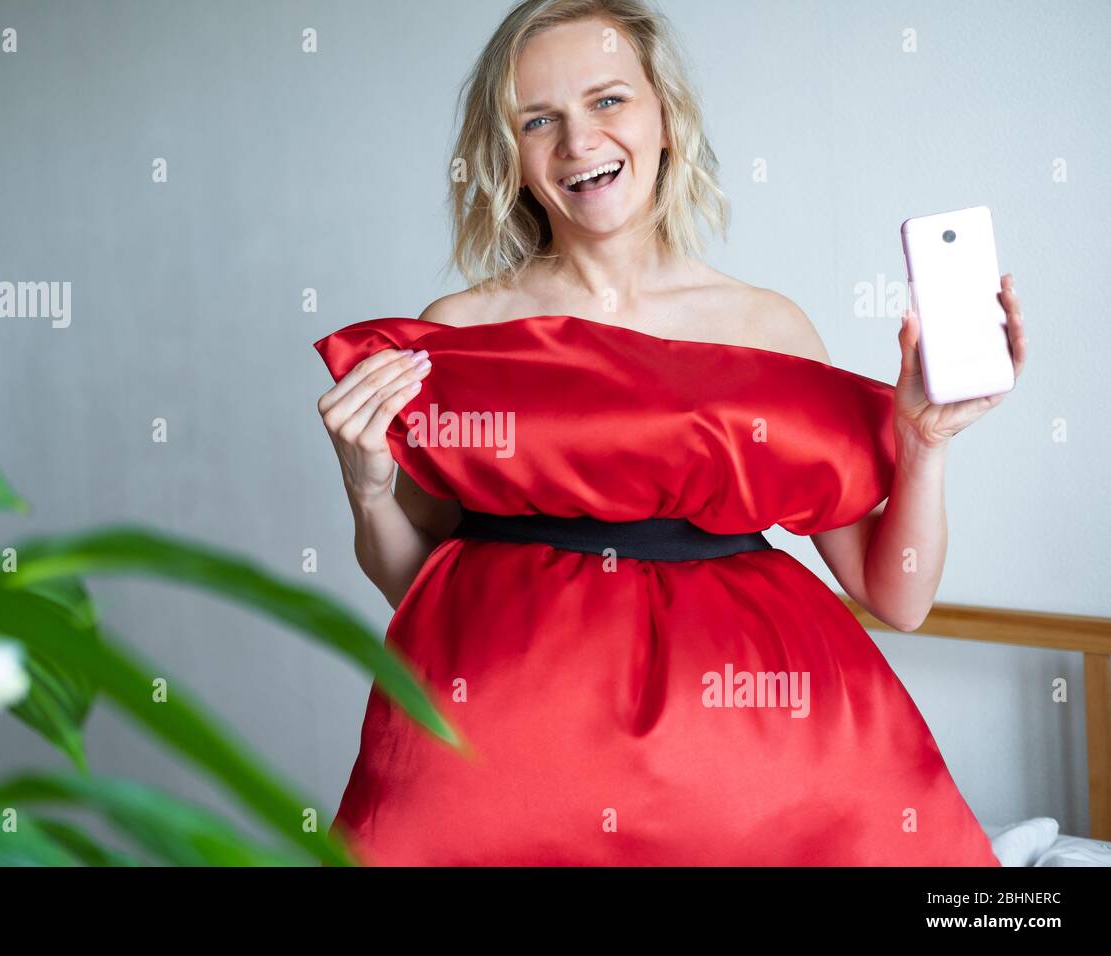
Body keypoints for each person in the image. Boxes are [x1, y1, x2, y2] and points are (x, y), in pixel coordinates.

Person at [314, 0, 1024, 865]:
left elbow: (897, 598)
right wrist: (367, 487)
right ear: (513, 155)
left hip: (764, 766)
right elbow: (416, 585)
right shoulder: (462, 329)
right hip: (504, 775)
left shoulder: (768, 326)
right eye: (540, 119)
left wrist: (922, 446)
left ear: (665, 117)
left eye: (608, 100)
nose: (579, 141)